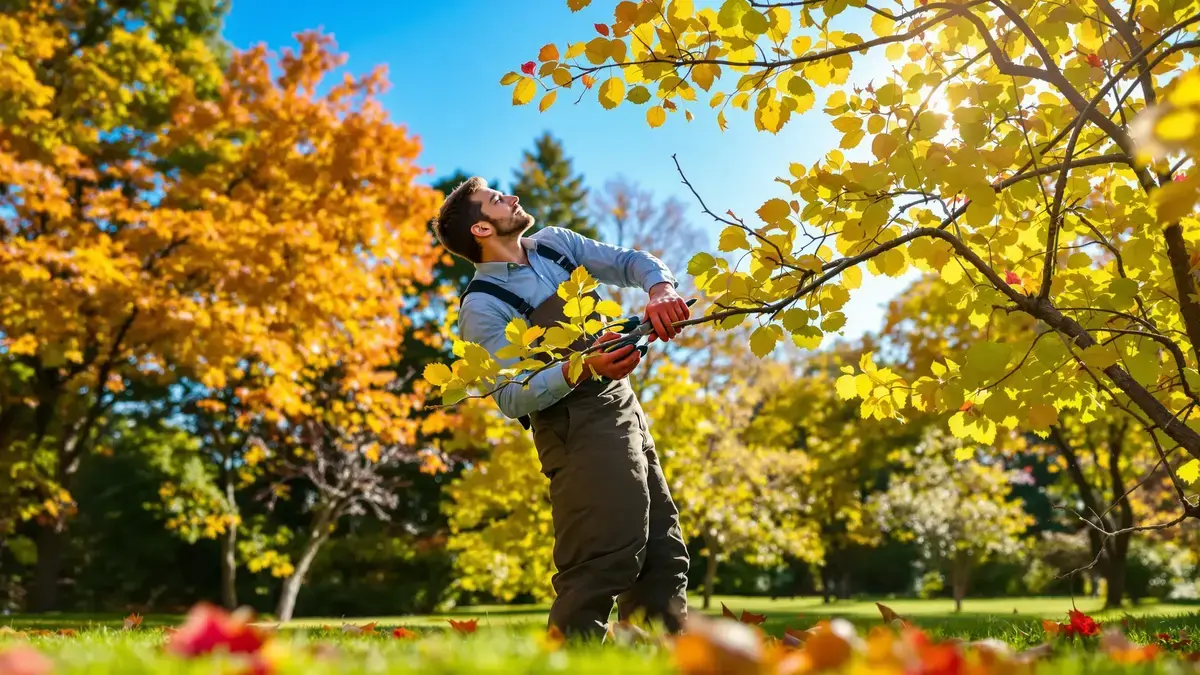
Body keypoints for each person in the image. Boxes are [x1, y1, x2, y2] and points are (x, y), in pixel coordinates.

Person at [432, 176, 692, 640]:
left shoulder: (555, 244)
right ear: (482, 230)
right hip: (573, 426)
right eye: (495, 199)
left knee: (663, 555)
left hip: (623, 405)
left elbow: (630, 262)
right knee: (606, 554)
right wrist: (583, 367)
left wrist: (660, 290)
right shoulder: (482, 307)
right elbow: (511, 396)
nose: (511, 197)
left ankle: (662, 659)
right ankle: (572, 656)